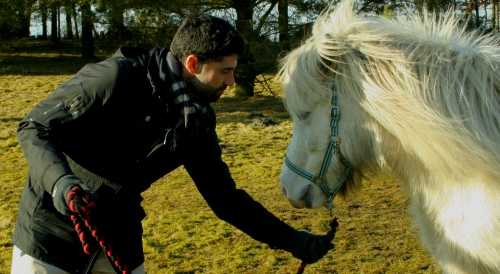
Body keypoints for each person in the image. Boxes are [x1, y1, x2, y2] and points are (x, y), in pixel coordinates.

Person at [11, 14, 335, 274]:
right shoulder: (113, 78)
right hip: (49, 233)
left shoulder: (198, 121)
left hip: (120, 236)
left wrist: (295, 241)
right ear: (193, 64)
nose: (232, 82)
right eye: (225, 72)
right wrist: (62, 182)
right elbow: (34, 126)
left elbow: (225, 199)